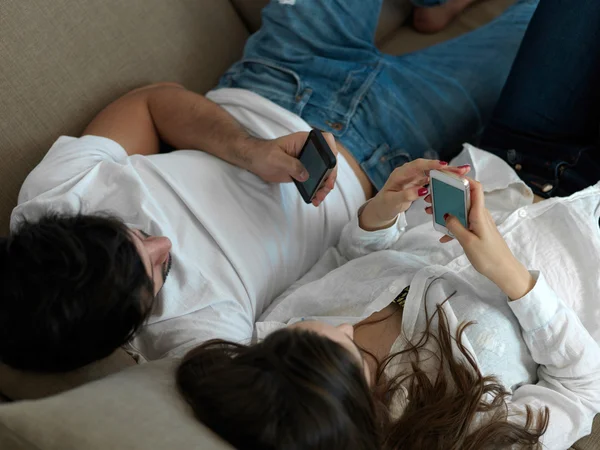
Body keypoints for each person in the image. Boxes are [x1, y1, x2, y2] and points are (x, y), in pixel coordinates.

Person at [0, 0, 538, 373]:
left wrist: (248, 150)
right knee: (557, 28)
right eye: (159, 271)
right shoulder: (197, 343)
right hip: (386, 149)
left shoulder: (53, 201)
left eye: (136, 231)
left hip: (281, 69)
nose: (165, 245)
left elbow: (152, 101)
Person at [176, 0, 600, 448]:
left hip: (512, 156)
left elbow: (344, 259)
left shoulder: (280, 340)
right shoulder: (462, 433)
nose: (347, 325)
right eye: (354, 352)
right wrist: (510, 276)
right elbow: (582, 388)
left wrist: (380, 214)